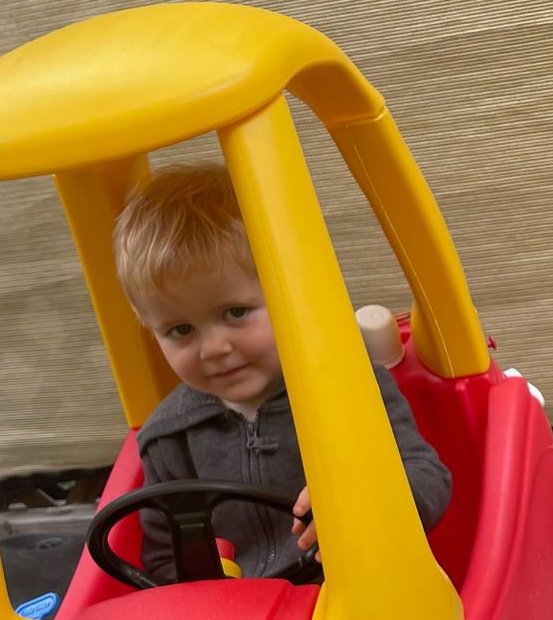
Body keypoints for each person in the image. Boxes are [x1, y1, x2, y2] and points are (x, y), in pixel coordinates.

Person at [113, 162, 450, 582]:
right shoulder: (169, 437)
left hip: (360, 595)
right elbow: (164, 558)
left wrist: (367, 505)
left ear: (287, 291)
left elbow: (426, 475)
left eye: (235, 313)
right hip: (243, 619)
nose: (214, 348)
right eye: (180, 330)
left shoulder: (348, 388)